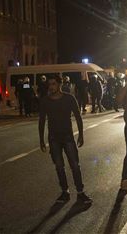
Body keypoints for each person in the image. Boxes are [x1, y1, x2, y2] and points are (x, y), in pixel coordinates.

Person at [39, 74, 92, 203]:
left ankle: (80, 192)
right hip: (53, 138)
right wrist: (41, 140)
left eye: (54, 84)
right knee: (59, 166)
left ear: (60, 84)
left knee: (74, 165)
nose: (51, 87)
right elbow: (41, 121)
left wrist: (81, 134)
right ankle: (65, 192)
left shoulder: (69, 99)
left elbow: (78, 117)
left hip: (68, 137)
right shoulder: (45, 101)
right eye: (49, 84)